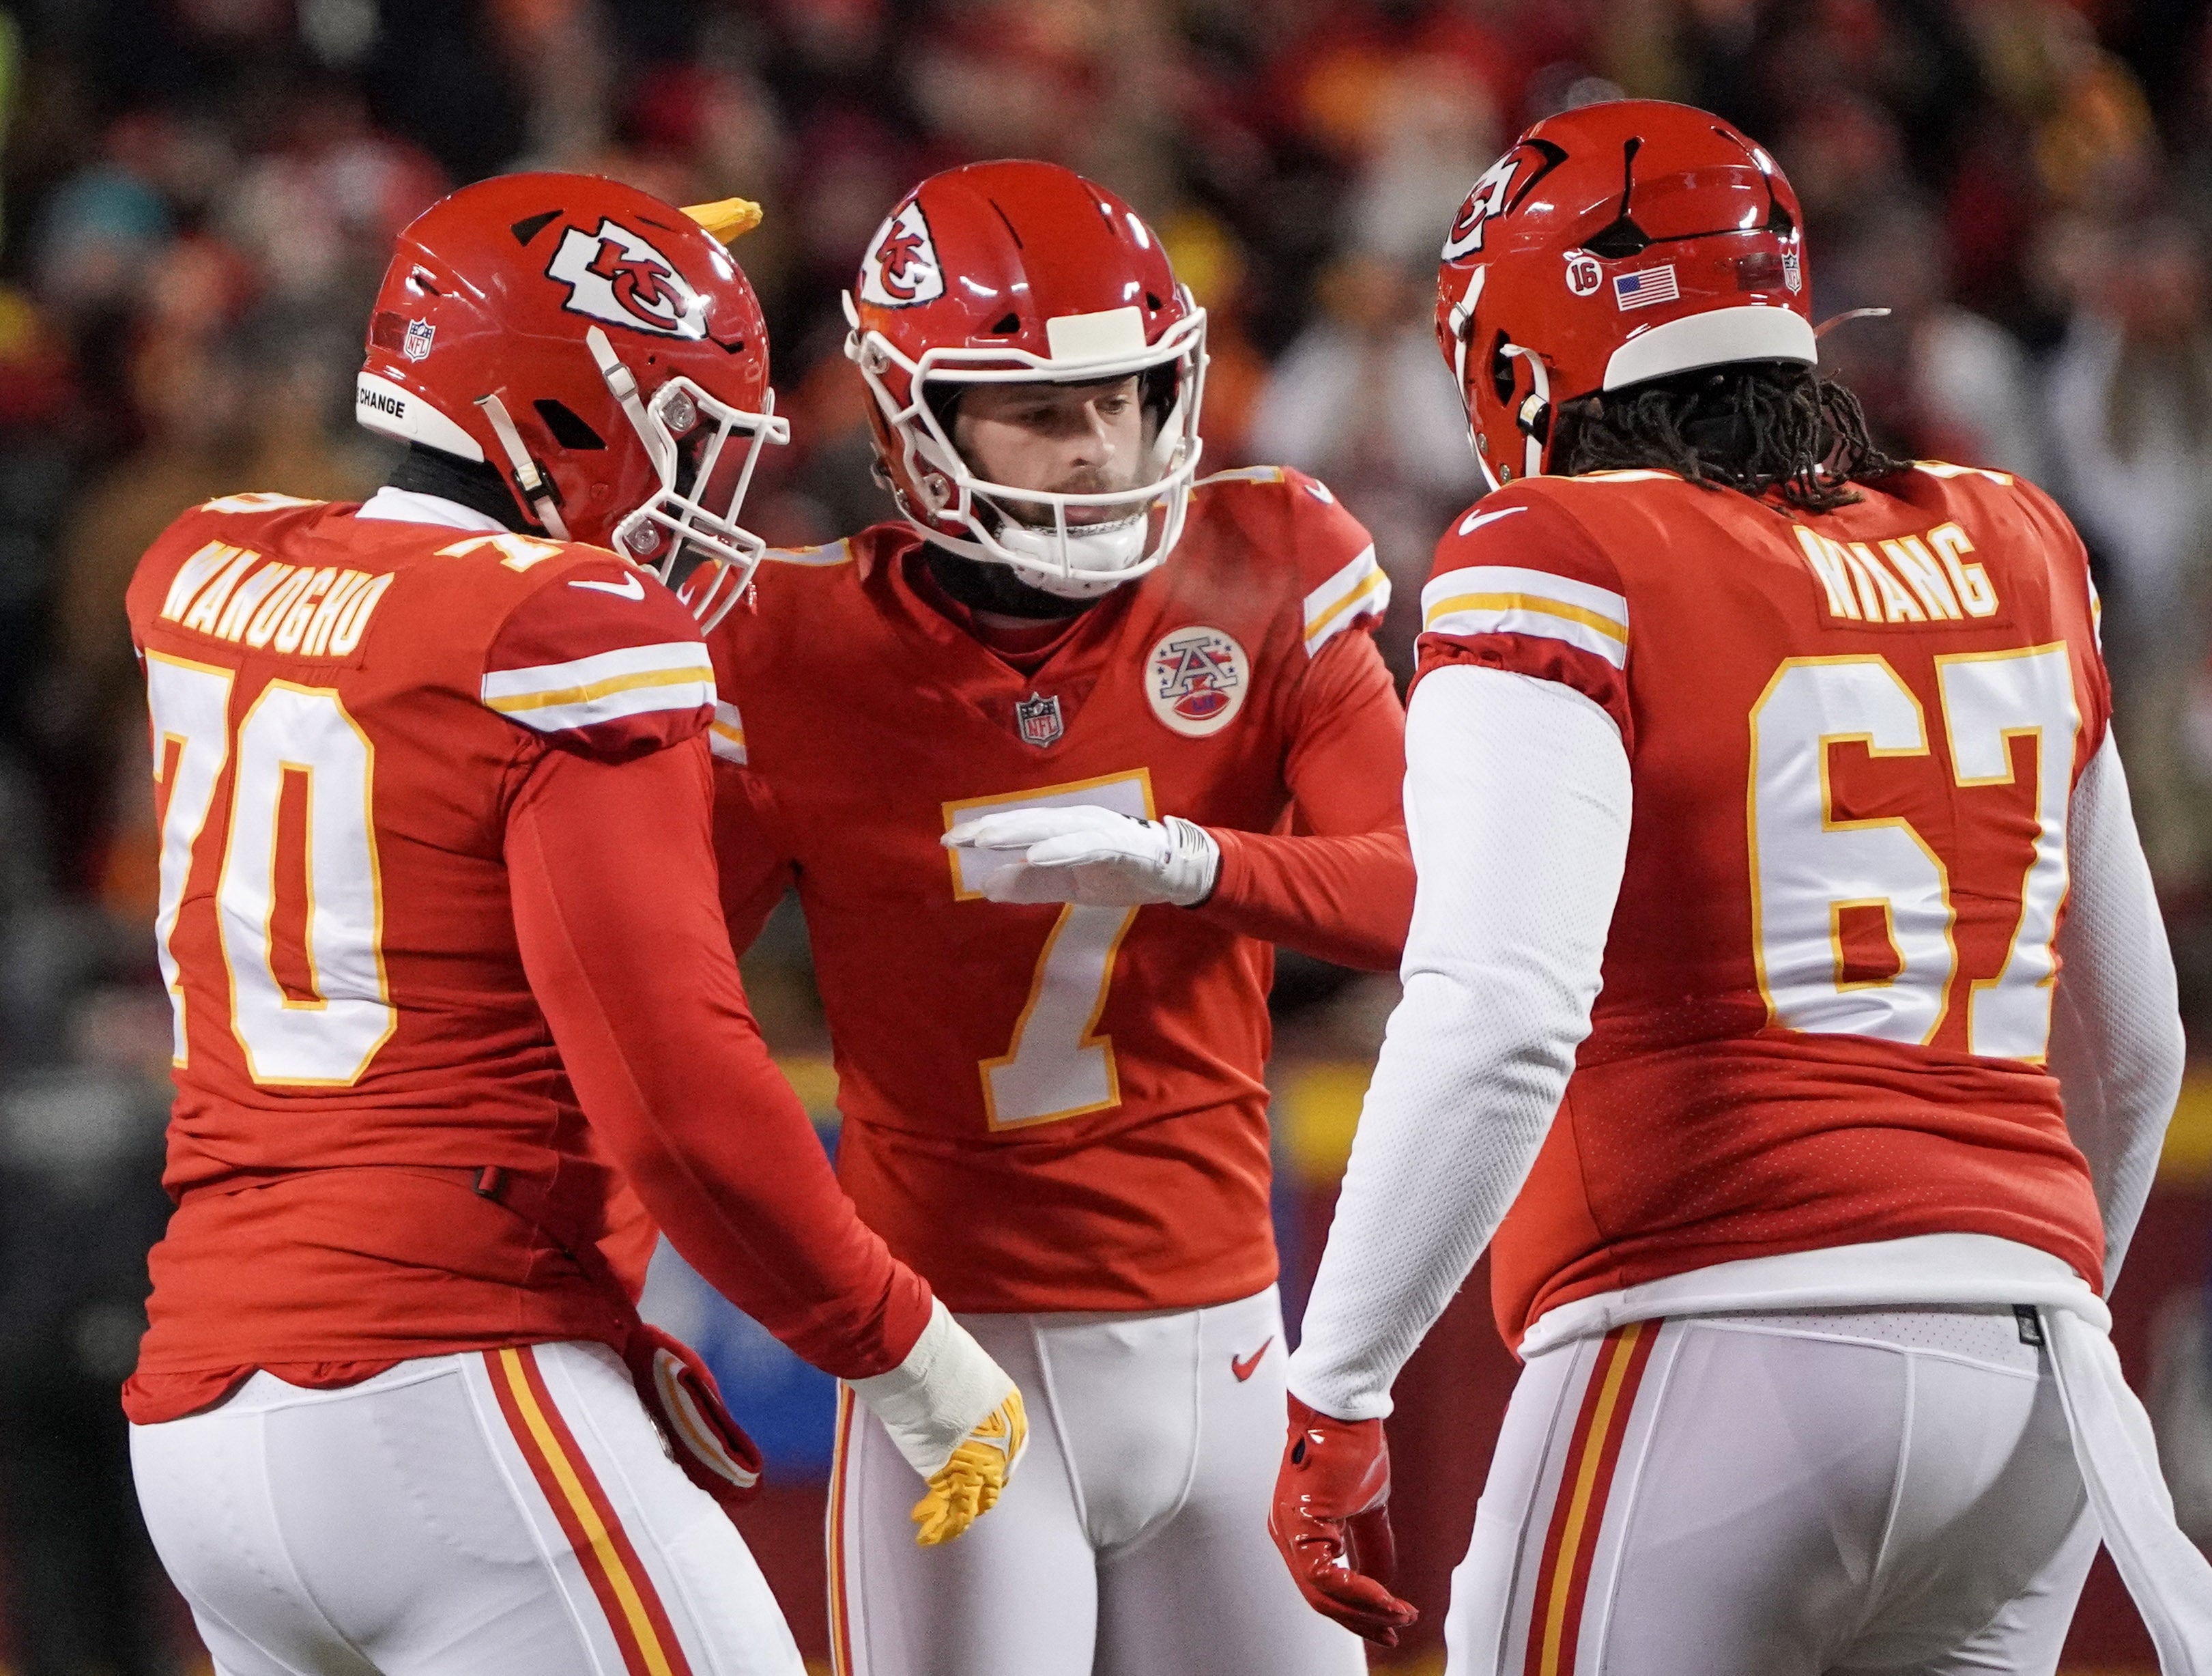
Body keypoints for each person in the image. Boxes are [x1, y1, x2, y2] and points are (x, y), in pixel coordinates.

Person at [1267, 100, 2209, 1672]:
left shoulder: (1554, 543)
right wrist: (1995, 1285)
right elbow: (2134, 1053)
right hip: (2037, 1377)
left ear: (1513, 356)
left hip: (1709, 1335)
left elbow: (1498, 1007)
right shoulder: (2021, 536)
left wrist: (1337, 1389)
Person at [122, 173, 1024, 1676]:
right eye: (680, 428)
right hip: (441, 1379)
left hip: (204, 1413)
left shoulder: (213, 560)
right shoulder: (564, 628)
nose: (697, 485)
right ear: (567, 414)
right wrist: (912, 1353)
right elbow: (675, 1092)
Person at [702, 159, 1412, 1676]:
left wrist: (1190, 864)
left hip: (1229, 1334)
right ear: (914, 420)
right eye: (1039, 410)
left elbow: (1424, 896)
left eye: (1126, 397)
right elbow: (644, 1000)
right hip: (951, 1362)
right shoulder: (789, 641)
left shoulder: (1266, 561)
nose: (1099, 450)